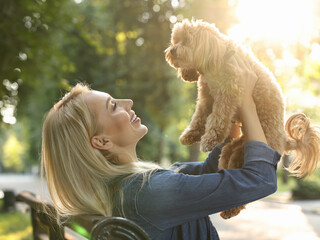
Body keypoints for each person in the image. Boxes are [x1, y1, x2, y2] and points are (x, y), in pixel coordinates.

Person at [41, 79, 281, 240]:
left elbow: (209, 171)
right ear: (101, 141)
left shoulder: (127, 190)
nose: (128, 103)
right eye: (113, 106)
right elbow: (260, 179)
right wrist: (248, 103)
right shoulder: (149, 192)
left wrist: (229, 124)